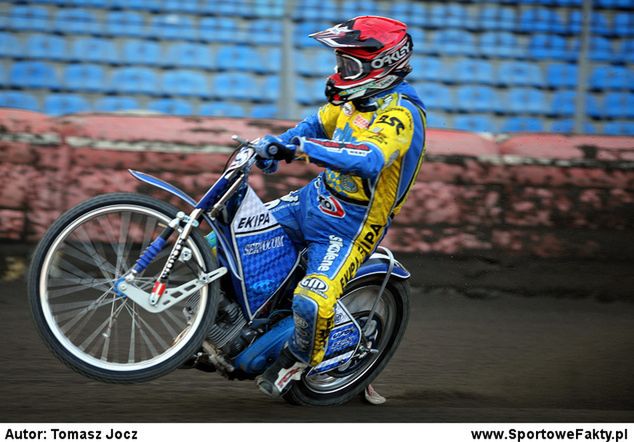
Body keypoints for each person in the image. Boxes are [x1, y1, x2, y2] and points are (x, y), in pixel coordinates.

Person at [253, 15, 427, 399]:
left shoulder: (401, 115)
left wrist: (302, 150)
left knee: (311, 300)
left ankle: (301, 358)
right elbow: (310, 127)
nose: (340, 71)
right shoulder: (351, 102)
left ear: (381, 66)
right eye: (340, 62)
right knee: (234, 235)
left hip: (349, 227)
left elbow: (367, 158)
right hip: (310, 201)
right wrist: (273, 148)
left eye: (350, 65)